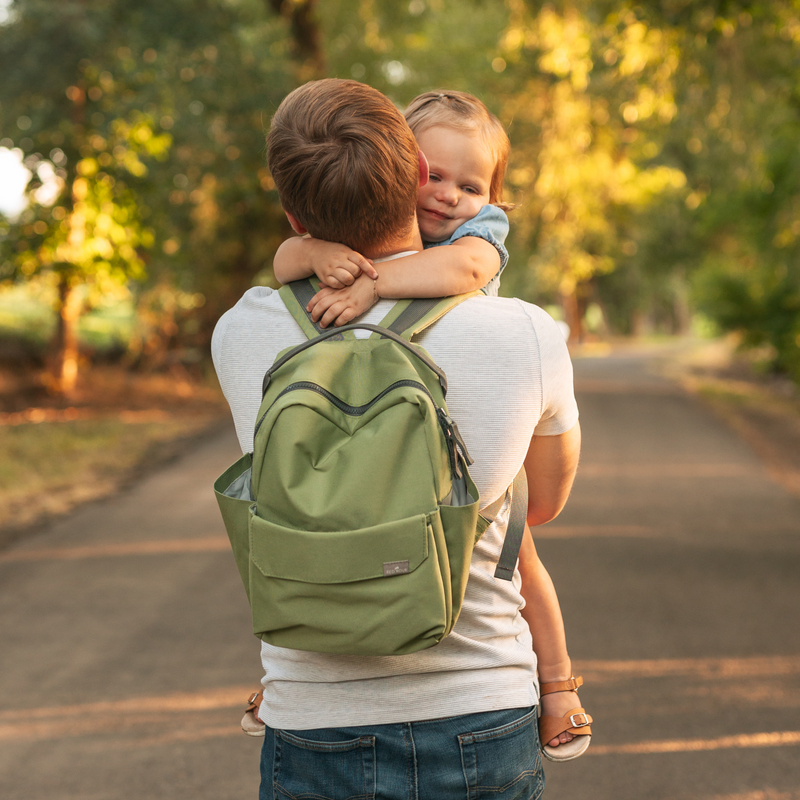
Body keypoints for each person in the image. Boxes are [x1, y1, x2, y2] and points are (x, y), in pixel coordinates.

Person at [212, 79, 586, 799]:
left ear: (294, 214)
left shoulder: (241, 330)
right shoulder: (524, 334)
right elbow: (543, 505)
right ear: (415, 172)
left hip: (312, 718)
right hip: (482, 712)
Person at [271, 90, 512, 327]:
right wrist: (313, 254)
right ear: (406, 170)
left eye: (470, 189)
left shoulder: (481, 226)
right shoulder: (369, 213)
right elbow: (281, 265)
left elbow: (469, 267)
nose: (449, 196)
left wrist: (374, 283)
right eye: (435, 177)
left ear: (490, 197)